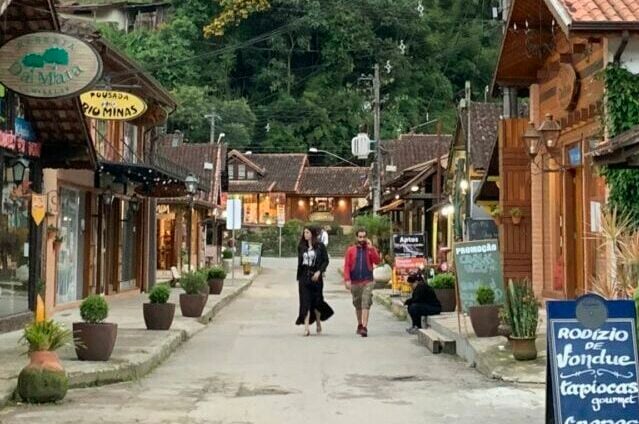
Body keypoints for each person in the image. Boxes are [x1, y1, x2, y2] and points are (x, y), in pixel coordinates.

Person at [295, 226, 333, 336]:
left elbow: (326, 261)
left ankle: (318, 322)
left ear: (312, 233)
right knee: (305, 302)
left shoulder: (320, 246)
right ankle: (306, 328)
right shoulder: (301, 246)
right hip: (304, 277)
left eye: (307, 232)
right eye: (304, 232)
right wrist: (299, 277)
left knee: (317, 302)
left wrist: (319, 272)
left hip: (316, 277)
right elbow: (300, 262)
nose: (305, 234)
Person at [343, 227, 380, 337]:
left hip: (367, 280)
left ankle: (364, 326)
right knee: (357, 304)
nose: (362, 239)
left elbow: (377, 261)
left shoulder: (369, 249)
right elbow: (346, 266)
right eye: (360, 237)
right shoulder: (351, 250)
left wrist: (371, 248)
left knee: (366, 302)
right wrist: (347, 279)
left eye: (364, 237)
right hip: (355, 281)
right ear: (356, 237)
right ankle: (359, 324)